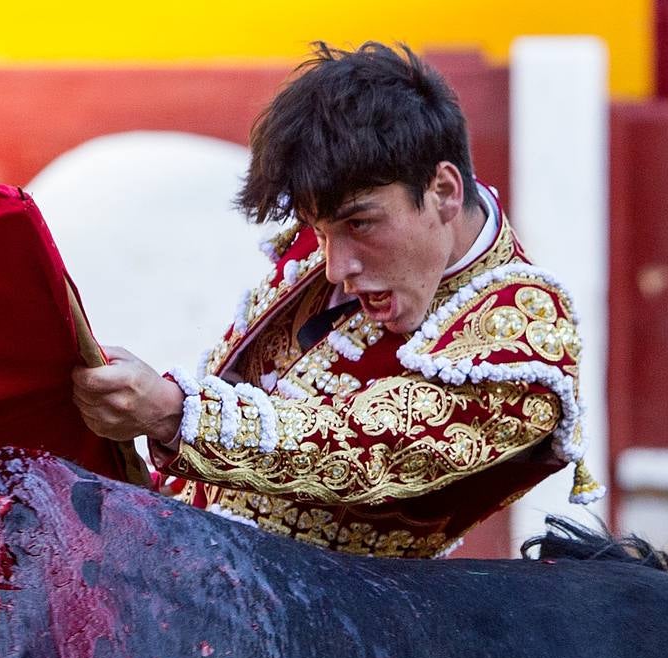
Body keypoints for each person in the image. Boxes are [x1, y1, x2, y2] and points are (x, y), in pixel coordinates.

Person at [71, 41, 602, 558]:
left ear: (443, 191)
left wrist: (173, 413)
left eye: (361, 224)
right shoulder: (334, 230)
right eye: (320, 231)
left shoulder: (523, 331)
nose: (336, 266)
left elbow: (364, 453)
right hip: (197, 560)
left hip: (342, 628)